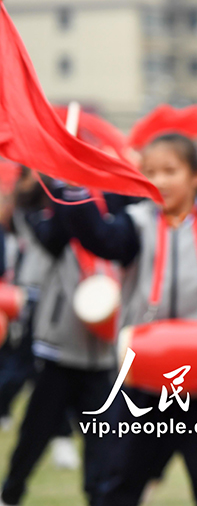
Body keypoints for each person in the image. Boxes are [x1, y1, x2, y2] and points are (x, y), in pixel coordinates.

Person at [56, 119, 197, 506]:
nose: (160, 181)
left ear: (196, 177)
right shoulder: (135, 224)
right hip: (143, 380)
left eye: (170, 171)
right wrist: (74, 187)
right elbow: (97, 237)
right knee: (119, 486)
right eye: (151, 172)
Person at [0, 173, 117, 506]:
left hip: (101, 355)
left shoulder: (109, 225)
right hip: (59, 350)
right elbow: (53, 233)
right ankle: (11, 491)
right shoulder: (47, 219)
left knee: (101, 439)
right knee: (35, 431)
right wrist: (65, 189)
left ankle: (99, 497)